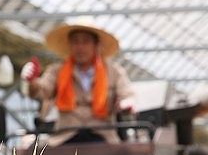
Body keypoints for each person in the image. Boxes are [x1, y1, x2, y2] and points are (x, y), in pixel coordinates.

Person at [20, 17, 135, 147]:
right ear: (70, 45)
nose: (80, 47)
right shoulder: (57, 70)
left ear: (96, 45)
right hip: (65, 137)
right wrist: (32, 81)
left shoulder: (114, 72)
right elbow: (42, 90)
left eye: (86, 41)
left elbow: (127, 94)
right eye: (75, 42)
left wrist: (126, 103)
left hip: (103, 137)